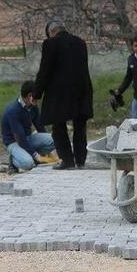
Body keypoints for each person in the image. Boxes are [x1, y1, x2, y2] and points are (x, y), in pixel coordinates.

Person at [34, 21, 94, 170]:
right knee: (80, 126)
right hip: (81, 89)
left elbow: (45, 71)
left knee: (58, 126)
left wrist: (36, 93)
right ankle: (80, 160)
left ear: (51, 32)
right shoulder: (80, 42)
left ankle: (67, 160)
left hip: (60, 92)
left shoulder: (50, 44)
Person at [0, 80, 56, 172]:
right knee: (28, 164)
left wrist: (49, 152)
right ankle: (13, 160)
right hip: (14, 142)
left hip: (27, 138)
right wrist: (37, 156)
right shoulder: (13, 111)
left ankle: (28, 153)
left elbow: (39, 126)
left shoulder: (32, 106)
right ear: (30, 96)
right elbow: (20, 139)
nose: (37, 99)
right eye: (36, 97)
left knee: (55, 139)